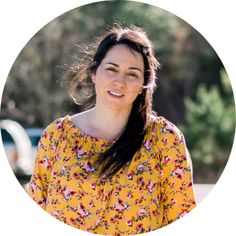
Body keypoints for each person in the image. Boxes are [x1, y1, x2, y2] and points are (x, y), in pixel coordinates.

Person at [28, 25, 196, 235]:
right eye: (111, 69)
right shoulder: (57, 136)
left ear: (144, 83)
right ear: (94, 74)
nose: (120, 82)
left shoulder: (164, 139)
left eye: (132, 74)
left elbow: (184, 217)